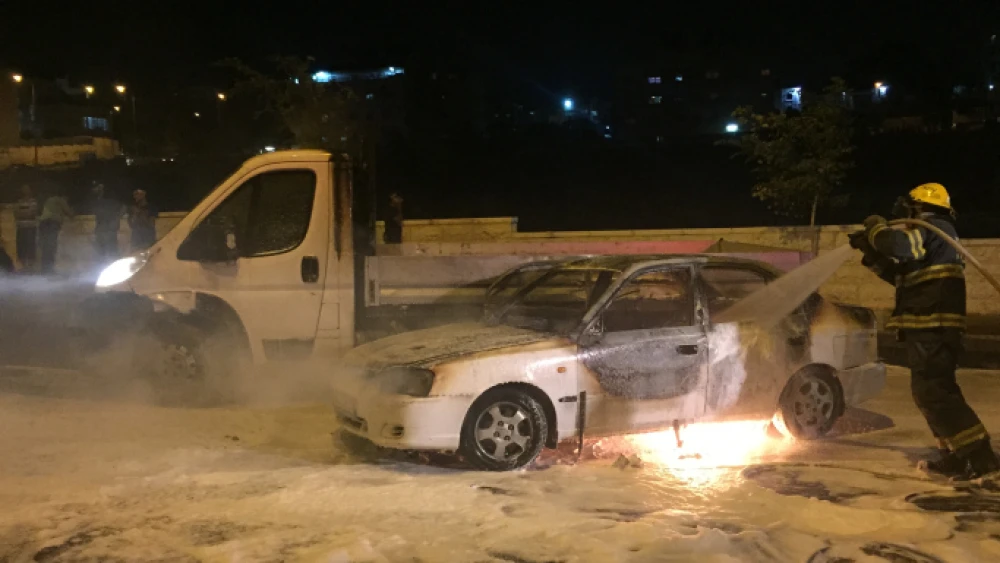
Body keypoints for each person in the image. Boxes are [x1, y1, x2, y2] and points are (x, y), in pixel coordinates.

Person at [851, 182, 1000, 480]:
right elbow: (902, 278)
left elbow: (897, 246)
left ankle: (981, 458)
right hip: (928, 327)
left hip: (934, 326)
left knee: (935, 392)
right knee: (929, 392)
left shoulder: (934, 227)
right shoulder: (934, 238)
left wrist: (877, 229)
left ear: (918, 207)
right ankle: (956, 455)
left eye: (908, 208)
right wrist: (870, 251)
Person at [38, 187, 75, 275]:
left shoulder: (49, 200)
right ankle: (49, 269)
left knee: (45, 247)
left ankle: (44, 269)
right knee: (51, 246)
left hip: (43, 224)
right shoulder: (61, 200)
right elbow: (70, 213)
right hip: (52, 223)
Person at [90, 182, 122, 260]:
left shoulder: (109, 200)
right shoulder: (99, 201)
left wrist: (115, 220)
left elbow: (122, 207)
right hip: (102, 229)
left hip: (108, 230)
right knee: (102, 253)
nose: (94, 190)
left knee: (111, 252)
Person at [13, 184, 39, 272]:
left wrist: (23, 213)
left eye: (27, 189)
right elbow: (16, 213)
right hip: (21, 227)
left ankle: (30, 266)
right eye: (23, 189)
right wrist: (25, 213)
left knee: (30, 245)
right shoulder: (18, 202)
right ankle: (24, 266)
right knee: (21, 246)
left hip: (31, 227)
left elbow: (32, 213)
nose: (25, 191)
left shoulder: (33, 201)